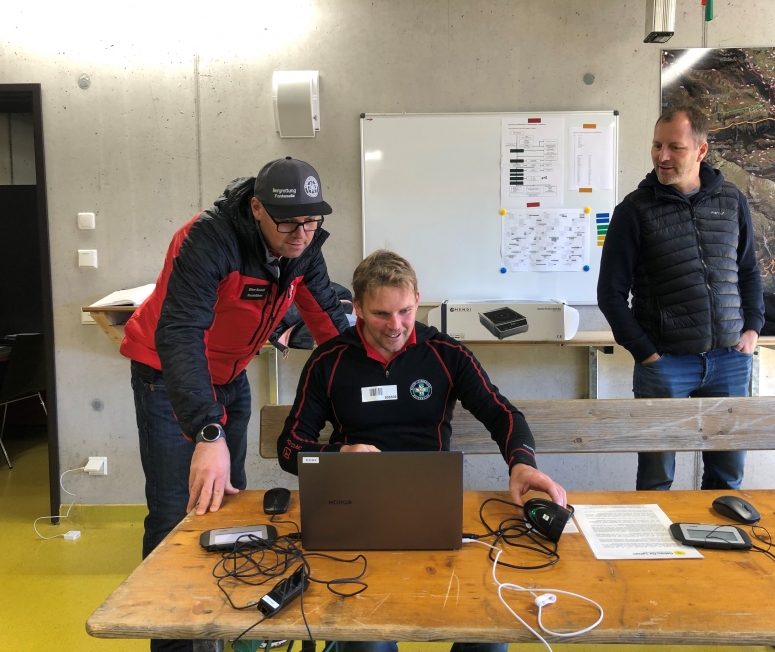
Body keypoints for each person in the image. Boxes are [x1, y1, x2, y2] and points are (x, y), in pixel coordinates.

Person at [277, 250, 567, 652]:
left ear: (417, 299)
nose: (395, 326)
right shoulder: (329, 360)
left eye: (405, 311)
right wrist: (338, 455)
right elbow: (290, 447)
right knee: (367, 643)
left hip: (433, 509)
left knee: (489, 633)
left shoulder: (446, 353)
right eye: (380, 314)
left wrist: (522, 463)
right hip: (355, 510)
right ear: (357, 307)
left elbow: (503, 414)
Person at [120, 157, 348, 652]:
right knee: (176, 515)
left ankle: (221, 630)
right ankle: (176, 645)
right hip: (167, 376)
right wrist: (208, 432)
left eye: (312, 221)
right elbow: (180, 333)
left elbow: (327, 317)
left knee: (227, 512)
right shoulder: (208, 238)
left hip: (230, 375)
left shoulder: (303, 245)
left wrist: (365, 374)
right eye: (289, 222)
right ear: (257, 208)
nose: (302, 234)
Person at [597, 106, 764, 492]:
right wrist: (646, 353)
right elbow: (610, 293)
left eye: (675, 147)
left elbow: (748, 271)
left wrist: (753, 328)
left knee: (727, 479)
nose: (663, 156)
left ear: (701, 150)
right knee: (657, 479)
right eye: (657, 146)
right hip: (666, 364)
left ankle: (718, 534)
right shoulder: (634, 211)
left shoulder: (731, 201)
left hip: (729, 359)